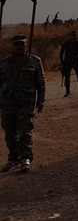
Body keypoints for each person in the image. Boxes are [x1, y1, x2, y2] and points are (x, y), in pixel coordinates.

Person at [0, 34, 46, 173]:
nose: (19, 47)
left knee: (25, 131)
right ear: (12, 46)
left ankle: (25, 158)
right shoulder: (4, 63)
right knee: (9, 132)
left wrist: (41, 101)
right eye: (16, 44)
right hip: (8, 102)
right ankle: (13, 158)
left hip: (26, 102)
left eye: (22, 44)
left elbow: (41, 83)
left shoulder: (34, 61)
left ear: (26, 45)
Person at [59, 30, 78, 97]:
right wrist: (62, 62)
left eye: (75, 35)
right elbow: (61, 52)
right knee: (67, 77)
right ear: (71, 36)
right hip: (67, 62)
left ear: (77, 36)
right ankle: (68, 92)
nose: (74, 37)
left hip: (75, 62)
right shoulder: (66, 43)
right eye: (73, 35)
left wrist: (77, 61)